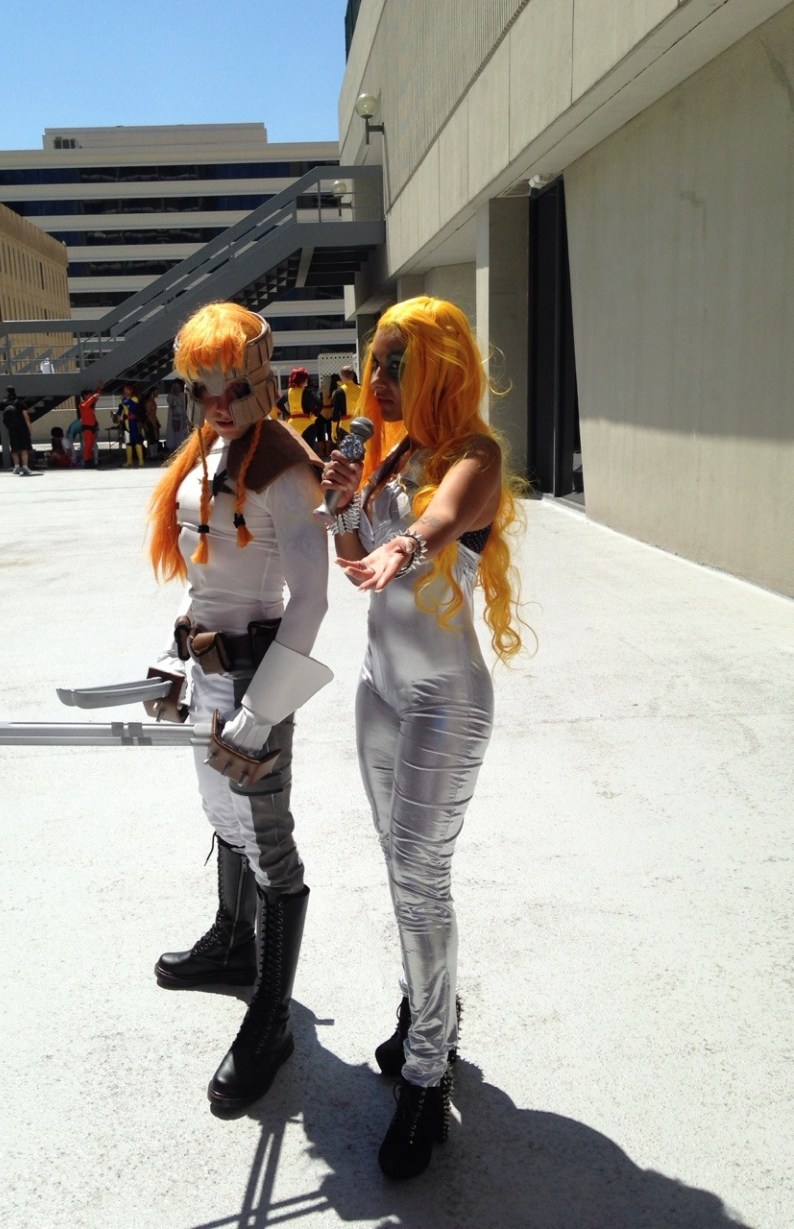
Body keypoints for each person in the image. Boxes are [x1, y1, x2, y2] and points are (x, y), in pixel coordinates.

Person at [321, 296, 527, 1181]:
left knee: (420, 874)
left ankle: (426, 1070)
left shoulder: (474, 457)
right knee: (398, 866)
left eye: (394, 363)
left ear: (437, 368)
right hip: (379, 690)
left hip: (447, 699)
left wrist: (401, 544)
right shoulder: (390, 454)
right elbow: (355, 561)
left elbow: (439, 519)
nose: (376, 379)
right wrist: (341, 504)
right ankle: (423, 1008)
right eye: (375, 360)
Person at [148, 302, 330, 1111]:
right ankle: (232, 942)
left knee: (269, 842)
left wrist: (265, 707)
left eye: (232, 386)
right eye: (202, 388)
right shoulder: (206, 452)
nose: (218, 404)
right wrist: (171, 655)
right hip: (207, 668)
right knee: (221, 812)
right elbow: (204, 577)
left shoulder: (285, 465)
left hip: (257, 674)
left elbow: (312, 598)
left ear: (260, 377)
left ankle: (272, 1018)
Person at [0, 386, 33, 475]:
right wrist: (30, 429)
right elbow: (26, 417)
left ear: (7, 392)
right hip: (23, 429)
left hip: (12, 429)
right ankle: (25, 467)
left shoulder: (4, 403)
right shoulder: (20, 402)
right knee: (24, 448)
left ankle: (16, 467)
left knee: (14, 449)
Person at [331, 364, 361, 441]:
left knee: (345, 449)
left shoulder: (339, 392)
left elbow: (335, 413)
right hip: (360, 425)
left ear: (342, 376)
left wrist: (333, 431)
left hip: (345, 427)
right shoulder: (361, 389)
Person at [78, 385, 102, 467]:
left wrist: (99, 389)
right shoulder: (82, 404)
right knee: (87, 446)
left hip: (93, 427)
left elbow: (96, 397)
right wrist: (93, 397)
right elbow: (86, 404)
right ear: (85, 396)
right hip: (87, 428)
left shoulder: (91, 403)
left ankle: (91, 461)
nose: (91, 395)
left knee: (91, 445)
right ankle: (86, 461)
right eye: (89, 394)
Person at [164, 379, 189, 453]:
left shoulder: (183, 395)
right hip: (174, 417)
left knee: (182, 431)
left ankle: (181, 445)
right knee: (173, 431)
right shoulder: (170, 396)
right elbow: (171, 404)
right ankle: (173, 445)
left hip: (182, 417)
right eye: (175, 387)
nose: (176, 389)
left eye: (178, 387)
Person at [141, 385, 161, 459]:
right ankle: (152, 454)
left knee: (156, 438)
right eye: (156, 392)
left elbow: (153, 413)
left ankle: (155, 454)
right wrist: (153, 423)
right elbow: (148, 414)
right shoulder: (149, 402)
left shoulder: (153, 401)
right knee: (151, 438)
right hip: (150, 422)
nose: (158, 393)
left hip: (154, 421)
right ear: (153, 392)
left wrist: (156, 421)